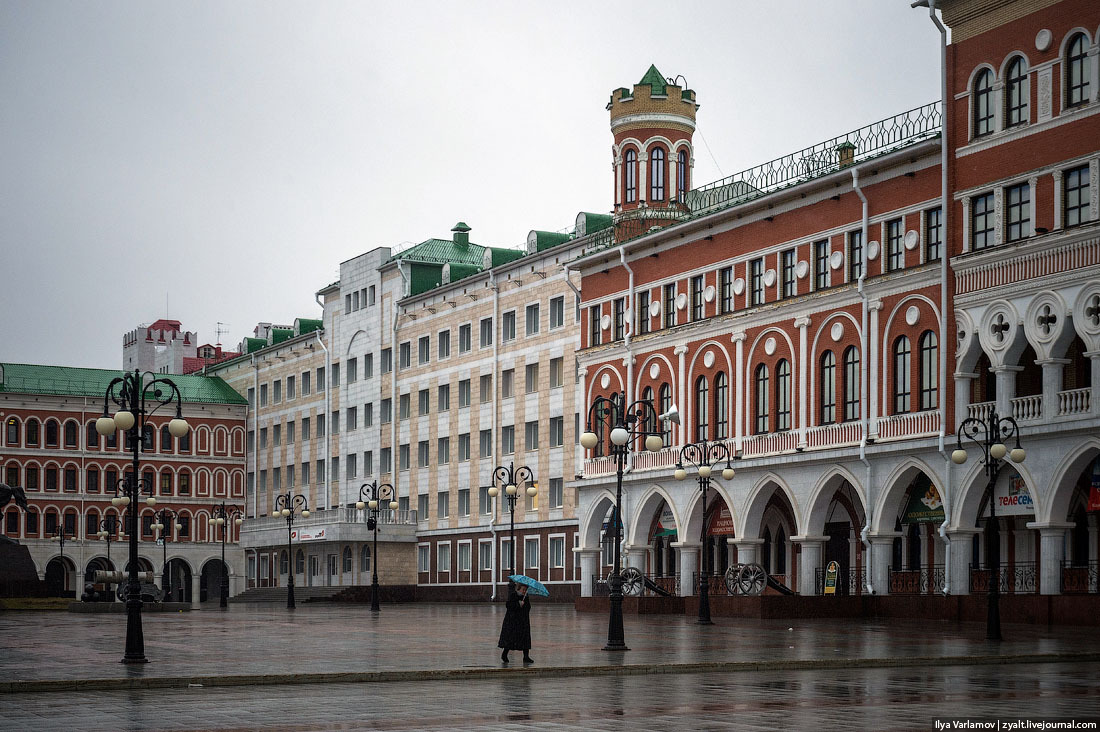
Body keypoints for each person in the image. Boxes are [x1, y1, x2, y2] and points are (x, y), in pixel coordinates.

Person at [497, 583, 533, 664]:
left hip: (523, 622)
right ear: (519, 589)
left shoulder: (526, 597)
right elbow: (509, 605)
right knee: (510, 639)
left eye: (525, 590)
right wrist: (518, 604)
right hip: (512, 622)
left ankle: (526, 657)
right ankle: (504, 654)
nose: (524, 591)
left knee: (525, 639)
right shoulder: (513, 595)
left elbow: (528, 608)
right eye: (523, 589)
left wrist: (524, 605)